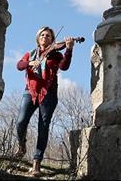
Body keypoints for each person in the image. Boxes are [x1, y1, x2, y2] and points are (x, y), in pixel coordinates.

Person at [15, 26, 75, 176]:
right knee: (21, 121)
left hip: (49, 93)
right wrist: (30, 63)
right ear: (38, 37)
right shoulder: (31, 54)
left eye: (48, 36)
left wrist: (68, 49)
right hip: (30, 91)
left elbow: (64, 66)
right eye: (42, 35)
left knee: (43, 126)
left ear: (52, 39)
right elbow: (19, 65)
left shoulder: (56, 55)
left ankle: (36, 163)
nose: (45, 37)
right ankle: (22, 146)